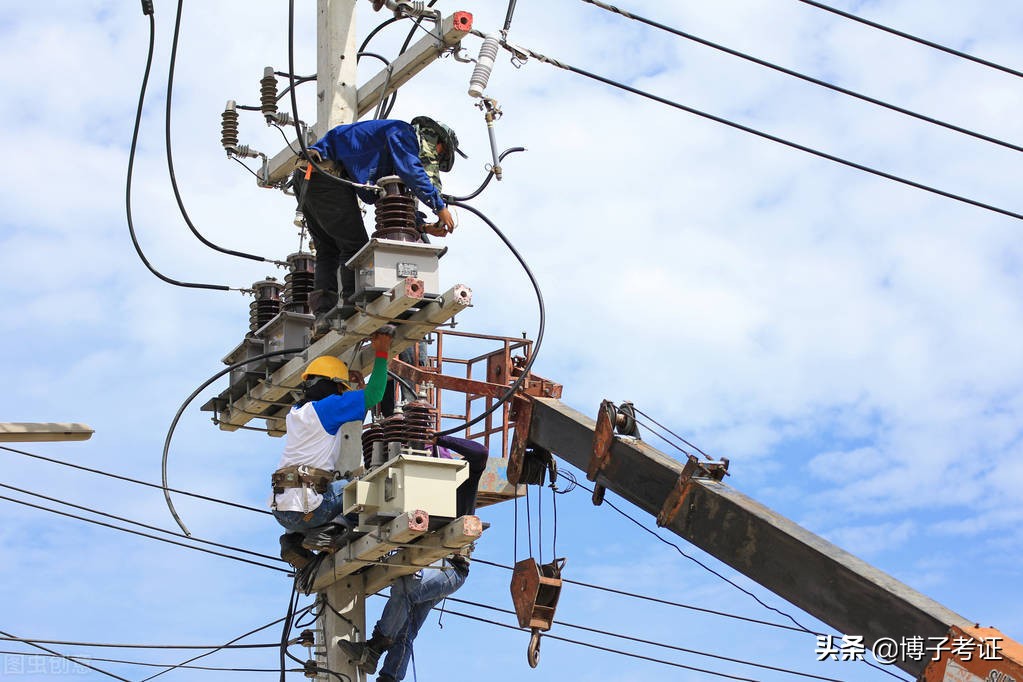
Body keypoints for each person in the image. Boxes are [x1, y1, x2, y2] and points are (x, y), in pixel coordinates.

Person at [337, 435, 488, 681]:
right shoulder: (408, 489)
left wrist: (439, 439)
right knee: (405, 629)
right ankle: (390, 677)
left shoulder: (463, 481)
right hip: (426, 565)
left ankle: (374, 648)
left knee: (406, 588)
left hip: (452, 567)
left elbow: (480, 453)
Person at [294, 116, 465, 329]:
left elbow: (393, 198)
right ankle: (351, 308)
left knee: (328, 249)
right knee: (355, 248)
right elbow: (413, 171)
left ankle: (322, 316)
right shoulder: (403, 133)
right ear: (436, 141)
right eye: (440, 153)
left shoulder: (391, 150)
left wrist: (422, 226)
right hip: (325, 175)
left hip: (308, 176)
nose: (436, 158)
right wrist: (440, 207)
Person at [272, 326, 395, 569]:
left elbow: (346, 413)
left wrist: (353, 393)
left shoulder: (296, 412)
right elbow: (375, 395)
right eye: (340, 389)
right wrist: (381, 354)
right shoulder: (327, 408)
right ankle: (331, 531)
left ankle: (292, 541)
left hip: (282, 512)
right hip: (311, 509)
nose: (341, 395)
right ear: (332, 385)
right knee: (367, 488)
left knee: (313, 491)